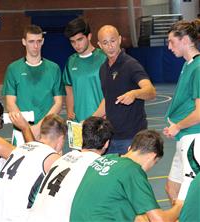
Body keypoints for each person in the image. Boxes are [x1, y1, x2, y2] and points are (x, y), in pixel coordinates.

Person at [69, 130, 183, 222]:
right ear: (151, 157)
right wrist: (179, 206)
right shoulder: (132, 170)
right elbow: (159, 220)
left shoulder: (106, 159)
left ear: (130, 148)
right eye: (155, 162)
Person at [27, 116, 113, 222]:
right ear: (107, 143)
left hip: (33, 216)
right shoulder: (96, 166)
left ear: (82, 138)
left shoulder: (62, 158)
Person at [0, 114, 67, 221]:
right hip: (14, 216)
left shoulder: (20, 148)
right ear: (61, 139)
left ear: (40, 135)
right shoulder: (52, 157)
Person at [95, 25, 156, 154]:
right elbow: (109, 100)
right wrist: (91, 118)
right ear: (100, 45)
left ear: (119, 40)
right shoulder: (103, 69)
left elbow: (150, 91)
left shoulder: (131, 65)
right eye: (105, 43)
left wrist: (135, 93)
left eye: (113, 41)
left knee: (130, 174)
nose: (110, 46)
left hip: (132, 137)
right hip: (110, 137)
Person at [2, 24, 65, 146]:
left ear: (43, 41)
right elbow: (10, 103)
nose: (35, 46)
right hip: (21, 129)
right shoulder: (13, 68)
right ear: (24, 42)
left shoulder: (54, 68)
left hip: (49, 130)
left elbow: (58, 102)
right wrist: (26, 127)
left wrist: (39, 126)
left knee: (48, 164)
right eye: (31, 42)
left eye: (38, 41)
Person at [163, 19, 200, 202]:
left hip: (194, 138)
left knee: (188, 197)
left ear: (185, 40)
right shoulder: (189, 64)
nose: (169, 47)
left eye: (172, 41)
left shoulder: (199, 67)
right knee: (171, 188)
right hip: (183, 136)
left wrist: (178, 126)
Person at [63, 17, 106, 122]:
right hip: (78, 123)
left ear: (89, 36)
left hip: (101, 121)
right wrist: (69, 110)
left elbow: (113, 92)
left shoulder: (104, 57)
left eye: (80, 39)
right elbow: (69, 87)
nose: (76, 45)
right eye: (72, 42)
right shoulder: (71, 61)